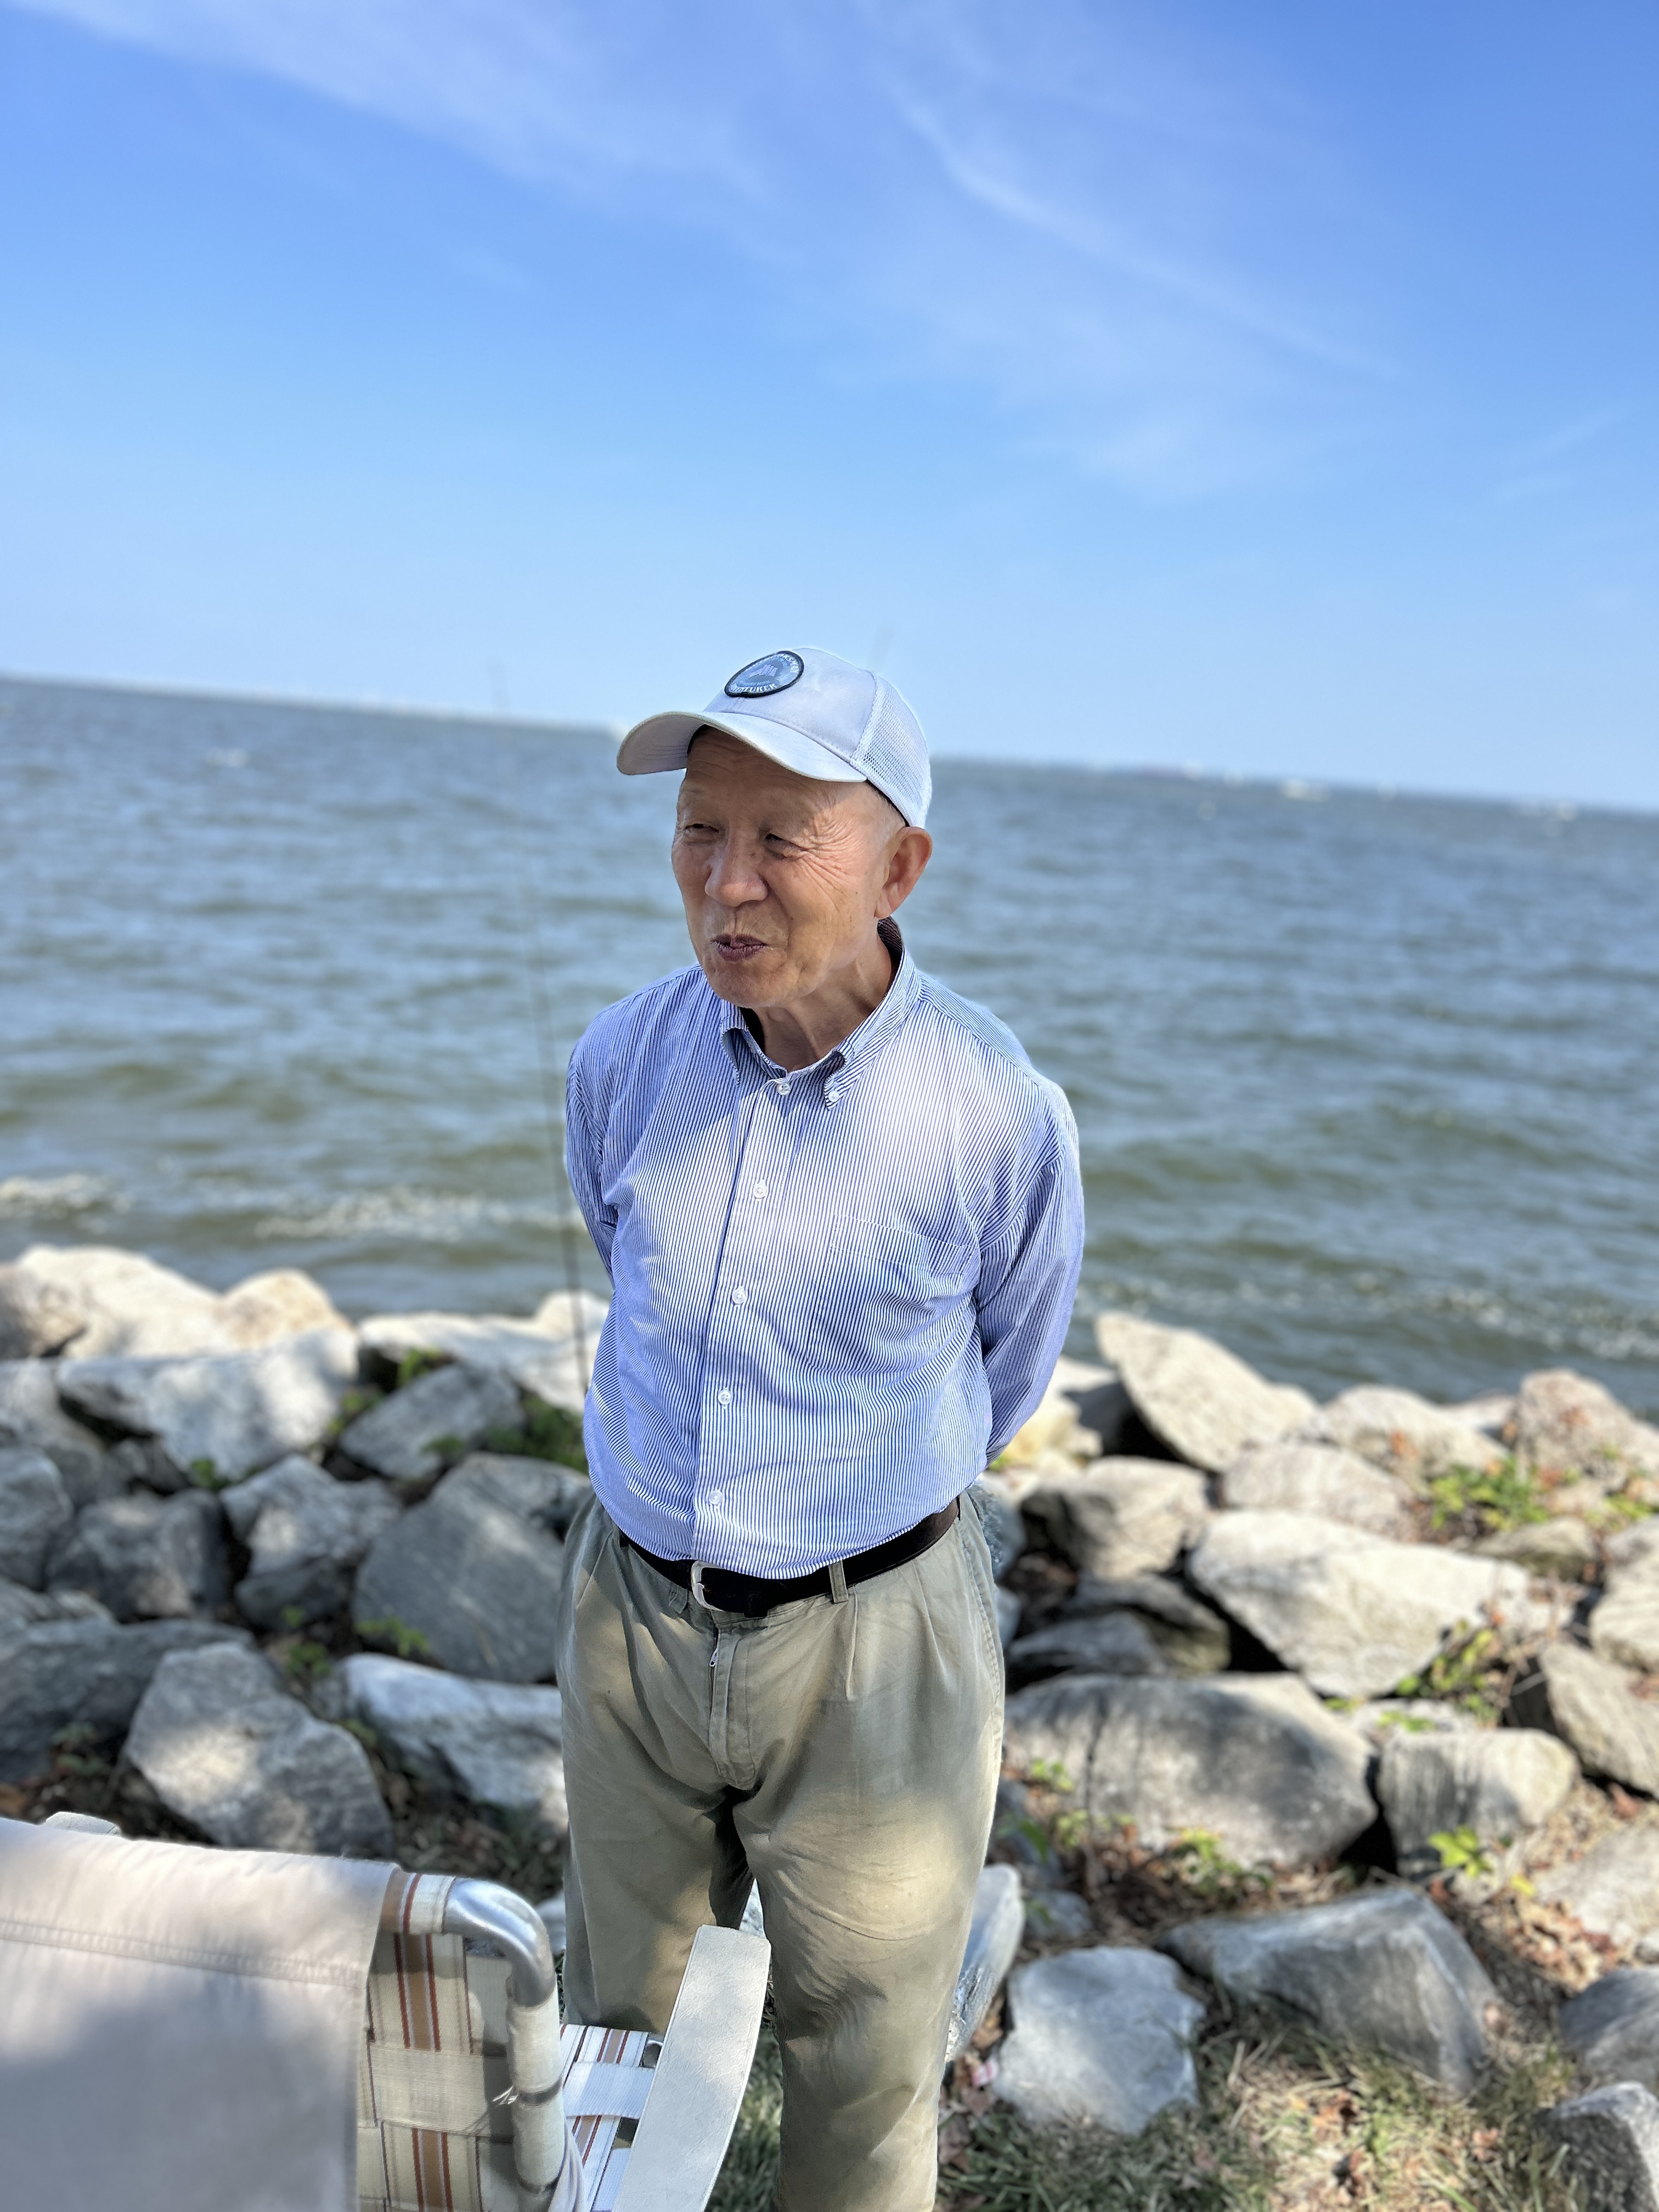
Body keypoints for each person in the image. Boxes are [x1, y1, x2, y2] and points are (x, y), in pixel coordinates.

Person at [555, 646, 1084, 2211]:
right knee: (613, 2028)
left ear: (899, 867)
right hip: (635, 1615)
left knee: (863, 2063)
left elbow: (1010, 1365)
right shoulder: (622, 1058)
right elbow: (628, 1265)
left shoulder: (996, 1111)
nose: (728, 884)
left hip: (875, 1646)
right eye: (699, 833)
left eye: (782, 840)